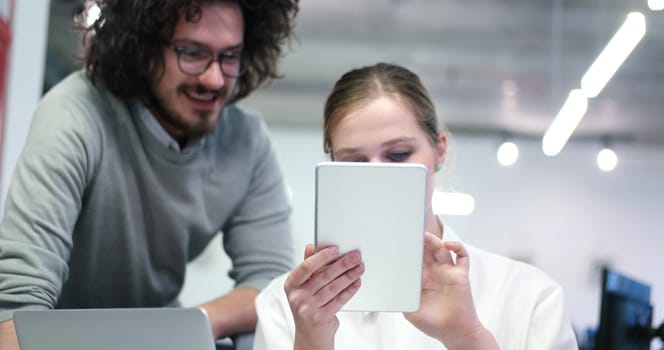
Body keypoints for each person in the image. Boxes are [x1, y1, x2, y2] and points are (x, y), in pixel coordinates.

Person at [0, 0, 299, 348]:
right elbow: (17, 307)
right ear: (141, 47)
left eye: (230, 56)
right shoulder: (74, 115)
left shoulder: (247, 142)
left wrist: (183, 325)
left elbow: (272, 284)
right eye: (191, 53)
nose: (214, 78)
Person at [253, 62, 579, 350]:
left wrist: (468, 337)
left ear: (440, 151)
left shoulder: (529, 297)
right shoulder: (284, 305)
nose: (379, 176)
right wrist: (311, 343)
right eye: (355, 161)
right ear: (333, 164)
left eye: (398, 155)